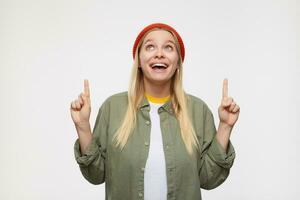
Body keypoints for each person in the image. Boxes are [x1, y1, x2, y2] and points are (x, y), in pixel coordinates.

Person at [70, 23, 240, 200]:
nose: (159, 53)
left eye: (168, 47)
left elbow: (208, 179)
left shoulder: (198, 110)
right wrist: (82, 126)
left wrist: (225, 127)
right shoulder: (112, 108)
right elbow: (96, 175)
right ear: (139, 61)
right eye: (150, 46)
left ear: (178, 63)